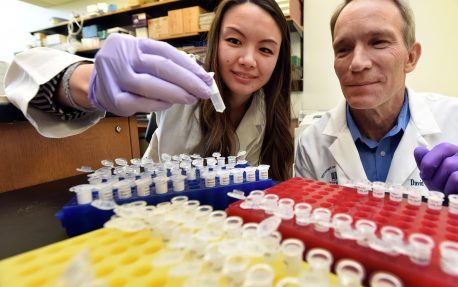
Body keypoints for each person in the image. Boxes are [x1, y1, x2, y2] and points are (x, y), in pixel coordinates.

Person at [5, 0, 294, 181]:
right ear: (215, 41)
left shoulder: (273, 114)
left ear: (278, 59)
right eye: (234, 40)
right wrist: (85, 82)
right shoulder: (181, 77)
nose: (247, 59)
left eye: (265, 49)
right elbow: (26, 70)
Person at [294, 0, 458, 220]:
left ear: (411, 57)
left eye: (378, 42)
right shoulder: (312, 143)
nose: (357, 63)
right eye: (343, 49)